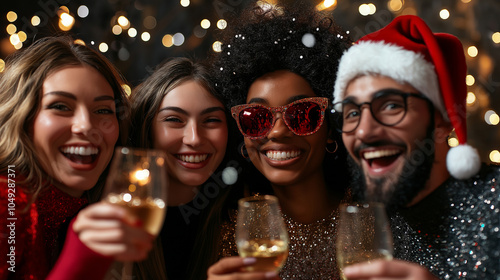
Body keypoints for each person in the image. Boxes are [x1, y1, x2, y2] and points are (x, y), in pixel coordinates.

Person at [332, 15, 500, 279]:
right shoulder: (367, 224)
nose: (364, 131)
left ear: (443, 120)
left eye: (390, 106)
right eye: (352, 113)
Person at [207, 2, 351, 279]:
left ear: (331, 127)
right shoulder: (226, 235)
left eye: (302, 114)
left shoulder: (373, 220)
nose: (276, 132)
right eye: (256, 117)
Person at [0, 36, 153, 280]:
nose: (85, 126)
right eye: (60, 106)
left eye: (103, 110)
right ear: (22, 117)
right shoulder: (7, 201)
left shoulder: (103, 210)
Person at [127, 57, 239, 280]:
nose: (195, 139)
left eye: (211, 120)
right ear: (147, 129)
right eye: (174, 119)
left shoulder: (241, 216)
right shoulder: (113, 218)